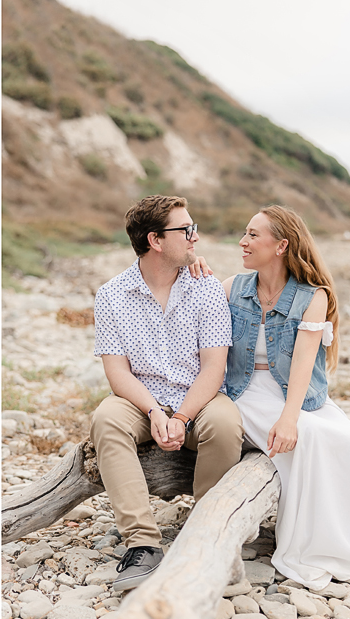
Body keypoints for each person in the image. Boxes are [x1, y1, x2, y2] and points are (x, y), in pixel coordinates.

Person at [222, 204, 350, 589]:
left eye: (253, 234)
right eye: (245, 233)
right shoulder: (232, 288)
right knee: (317, 439)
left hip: (297, 394)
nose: (243, 241)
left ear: (281, 245)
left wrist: (289, 417)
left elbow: (303, 363)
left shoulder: (312, 296)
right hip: (243, 392)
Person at [91, 195, 244, 592]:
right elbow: (116, 373)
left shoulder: (205, 287)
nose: (196, 237)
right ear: (155, 240)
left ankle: (208, 532)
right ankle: (142, 543)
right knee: (106, 419)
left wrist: (180, 417)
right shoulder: (111, 295)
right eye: (186, 229)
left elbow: (214, 367)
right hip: (139, 400)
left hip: (200, 398)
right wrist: (155, 412)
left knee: (226, 424)